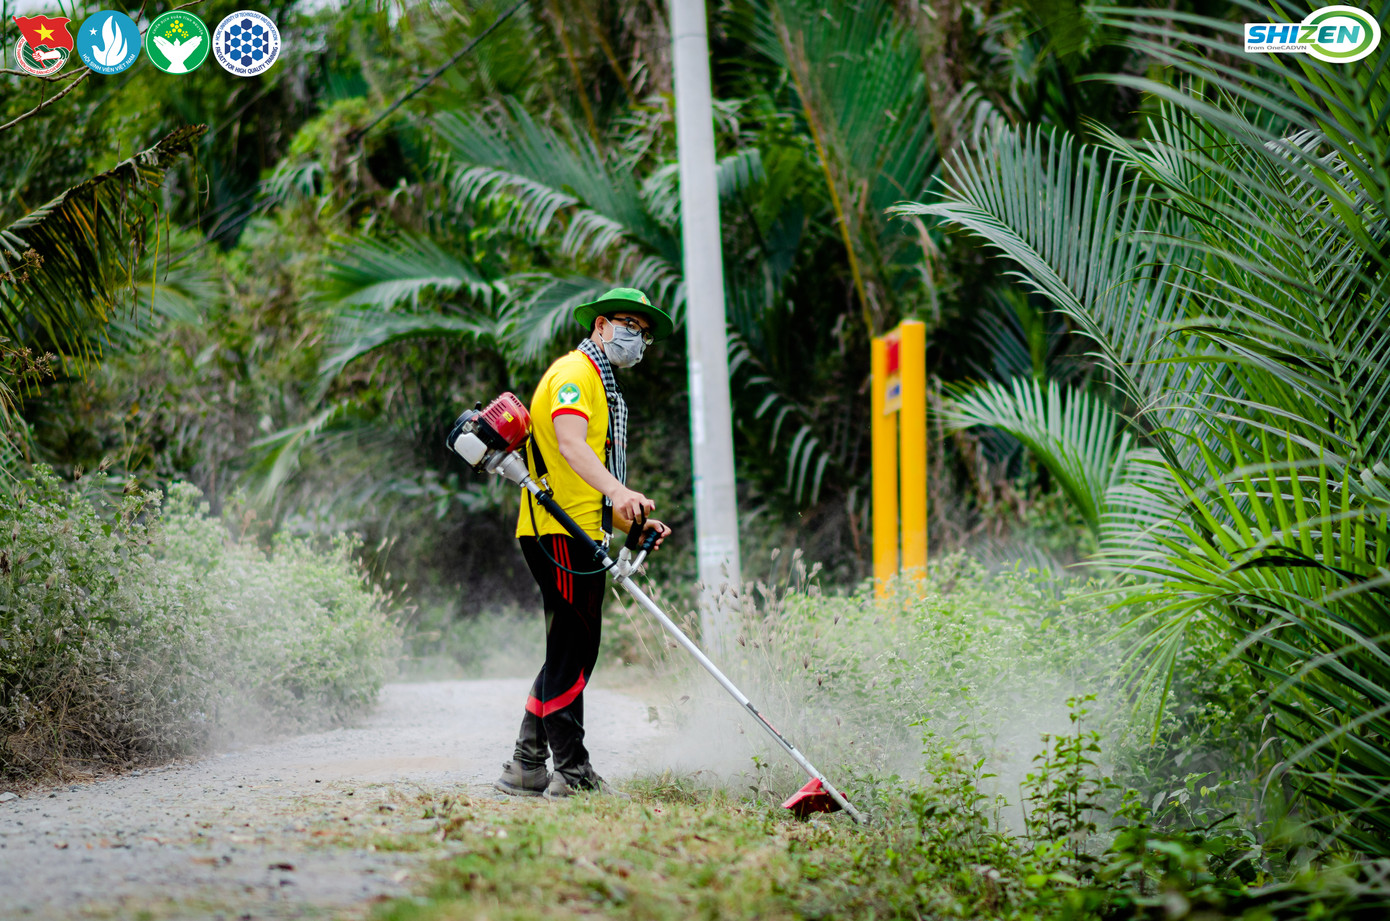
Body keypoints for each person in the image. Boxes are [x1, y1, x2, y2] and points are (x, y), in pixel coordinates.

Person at [495, 287, 674, 798]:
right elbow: (570, 446)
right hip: (557, 532)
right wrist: (619, 491)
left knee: (569, 650)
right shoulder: (576, 374)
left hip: (577, 529)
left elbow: (580, 478)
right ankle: (572, 773)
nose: (636, 338)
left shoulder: (600, 382)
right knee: (573, 651)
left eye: (644, 333)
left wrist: (628, 521)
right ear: (600, 325)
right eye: (629, 325)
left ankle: (527, 765)